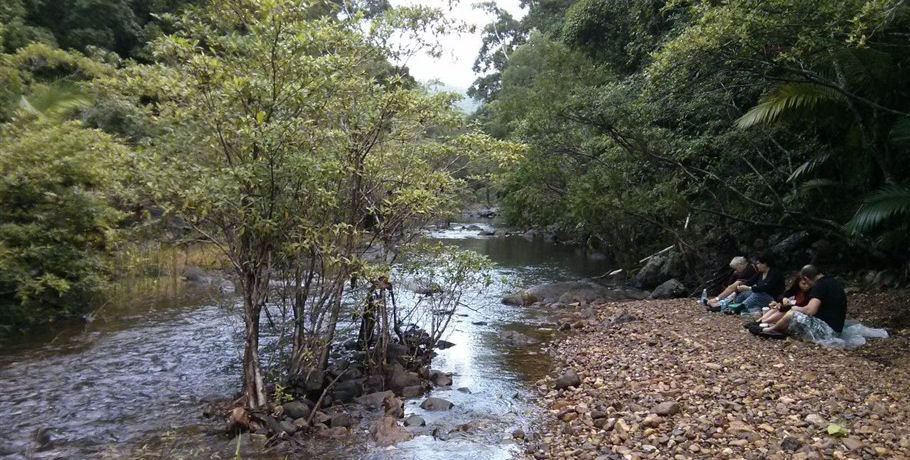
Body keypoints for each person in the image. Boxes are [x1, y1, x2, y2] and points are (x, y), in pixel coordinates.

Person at [754, 264, 847, 340]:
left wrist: (795, 308)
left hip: (828, 331)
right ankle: (769, 324)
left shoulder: (819, 285)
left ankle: (772, 330)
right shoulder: (832, 281)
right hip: (836, 328)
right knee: (792, 312)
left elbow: (810, 310)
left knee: (793, 313)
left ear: (806, 278)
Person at [744, 277, 810, 331]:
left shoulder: (810, 293)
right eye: (803, 284)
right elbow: (782, 295)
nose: (806, 286)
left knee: (782, 309)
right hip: (788, 307)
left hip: (797, 312)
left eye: (808, 284)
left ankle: (763, 322)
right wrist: (783, 299)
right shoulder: (796, 289)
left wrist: (786, 304)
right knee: (777, 306)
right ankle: (759, 321)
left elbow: (802, 305)